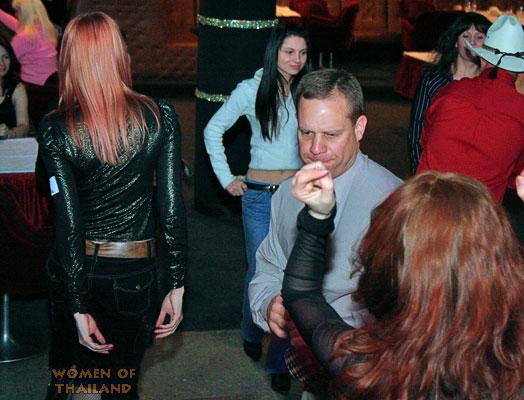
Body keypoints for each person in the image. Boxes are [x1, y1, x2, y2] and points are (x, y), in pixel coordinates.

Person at [283, 158, 524, 399]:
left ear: (387, 274)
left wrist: (318, 216)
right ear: (501, 270)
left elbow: (301, 293)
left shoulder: (363, 369)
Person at [38, 12, 186, 399]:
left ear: (69, 60)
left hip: (77, 269)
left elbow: (68, 223)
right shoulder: (160, 116)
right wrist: (177, 282)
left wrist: (77, 305)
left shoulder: (56, 127)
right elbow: (171, 208)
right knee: (122, 382)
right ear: (120, 55)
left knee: (71, 374)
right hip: (134, 273)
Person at [248, 69, 401, 395]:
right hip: (310, 372)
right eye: (306, 132)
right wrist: (268, 305)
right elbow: (270, 266)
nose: (315, 148)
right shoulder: (287, 193)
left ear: (359, 128)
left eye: (331, 134)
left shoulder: (395, 202)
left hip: (372, 377)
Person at [203, 22, 311, 392]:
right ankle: (251, 327)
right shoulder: (251, 90)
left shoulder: (307, 92)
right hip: (260, 196)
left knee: (291, 276)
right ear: (274, 52)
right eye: (289, 52)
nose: (296, 59)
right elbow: (212, 130)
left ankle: (279, 360)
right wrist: (226, 178)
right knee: (261, 270)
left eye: (302, 53)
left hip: (296, 195)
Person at [417, 15, 524, 202]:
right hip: (478, 210)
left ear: (483, 59)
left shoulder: (449, 92)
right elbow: (518, 175)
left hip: (425, 200)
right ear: (521, 69)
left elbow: (424, 140)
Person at [407, 12, 491, 174]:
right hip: (434, 166)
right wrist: (420, 174)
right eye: (466, 36)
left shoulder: (489, 83)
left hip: (473, 169)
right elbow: (416, 130)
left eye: (479, 37)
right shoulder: (433, 79)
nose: (472, 41)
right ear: (455, 42)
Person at [0, 0, 57, 86]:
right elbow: (14, 23)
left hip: (33, 84)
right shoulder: (45, 28)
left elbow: (7, 57)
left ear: (25, 14)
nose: (15, 14)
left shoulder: (25, 36)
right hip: (51, 81)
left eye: (17, 12)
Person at [0, 34, 28, 139]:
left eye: (5, 57)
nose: (2, 63)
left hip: (10, 145)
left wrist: (10, 133)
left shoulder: (17, 88)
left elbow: (24, 126)